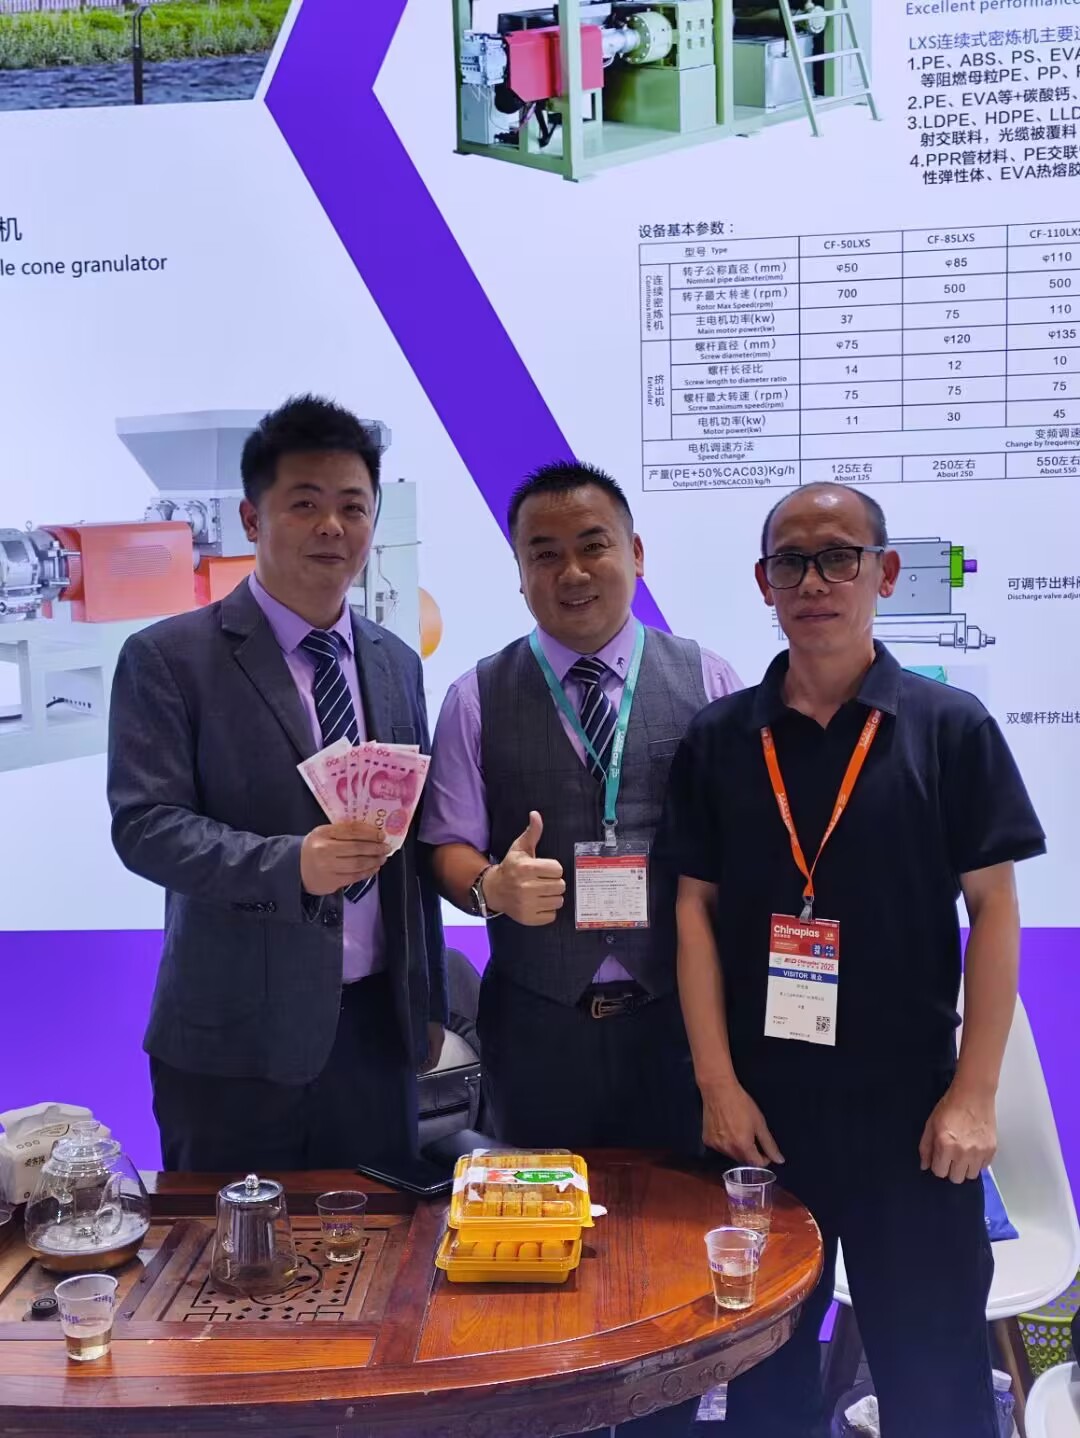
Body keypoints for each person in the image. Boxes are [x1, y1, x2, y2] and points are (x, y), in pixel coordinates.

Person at [656, 481, 1046, 1438]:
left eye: (838, 558)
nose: (814, 582)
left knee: (938, 1387)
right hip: (764, 1119)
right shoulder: (721, 739)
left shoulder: (949, 728)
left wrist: (974, 1095)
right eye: (790, 562)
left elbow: (995, 907)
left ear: (886, 573)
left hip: (913, 1116)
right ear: (764, 583)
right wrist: (717, 1086)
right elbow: (693, 911)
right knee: (761, 1387)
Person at [107, 395, 446, 1172]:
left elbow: (411, 846)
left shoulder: (395, 662)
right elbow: (146, 825)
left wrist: (426, 1004)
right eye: (305, 504)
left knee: (380, 1242)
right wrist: (291, 864)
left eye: (353, 507)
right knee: (226, 1248)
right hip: (234, 1045)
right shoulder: (168, 658)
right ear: (251, 520)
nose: (332, 527)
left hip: (375, 1035)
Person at [420, 460, 741, 1153]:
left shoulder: (709, 679)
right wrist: (491, 886)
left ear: (636, 553)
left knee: (682, 1207)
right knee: (539, 1207)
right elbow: (444, 846)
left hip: (680, 1019)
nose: (572, 573)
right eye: (545, 555)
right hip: (538, 1028)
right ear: (520, 573)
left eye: (594, 545)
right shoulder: (474, 697)